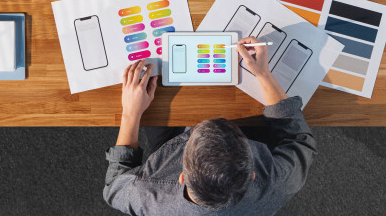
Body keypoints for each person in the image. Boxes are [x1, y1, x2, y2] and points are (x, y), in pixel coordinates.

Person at [103, 37, 317, 215]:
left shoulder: (150, 195)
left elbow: (114, 186)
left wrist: (131, 112)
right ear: (252, 175)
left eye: (196, 130)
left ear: (181, 177)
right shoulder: (278, 183)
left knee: (158, 102)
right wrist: (263, 74)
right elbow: (298, 140)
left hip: (169, 148)